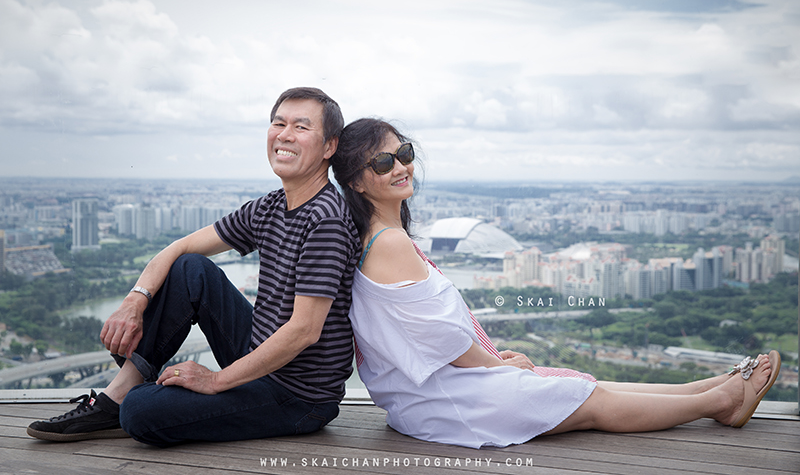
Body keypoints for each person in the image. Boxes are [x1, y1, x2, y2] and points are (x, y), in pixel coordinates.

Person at [330, 117, 781, 449]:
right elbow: (441, 336)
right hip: (448, 401)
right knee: (589, 398)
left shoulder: (383, 238)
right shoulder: (390, 243)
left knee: (586, 385)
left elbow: (426, 334)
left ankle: (708, 386)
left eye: (403, 153)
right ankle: (720, 401)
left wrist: (491, 359)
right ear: (357, 181)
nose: (400, 166)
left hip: (432, 395)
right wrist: (494, 367)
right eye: (383, 161)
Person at [27, 87, 361, 447]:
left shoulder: (325, 220)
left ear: (329, 147)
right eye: (278, 123)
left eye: (301, 127)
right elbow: (180, 247)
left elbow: (304, 331)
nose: (284, 134)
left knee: (140, 413)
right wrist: (134, 302)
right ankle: (116, 395)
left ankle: (125, 404)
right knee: (191, 268)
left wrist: (215, 380)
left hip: (299, 396)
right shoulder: (270, 207)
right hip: (260, 354)